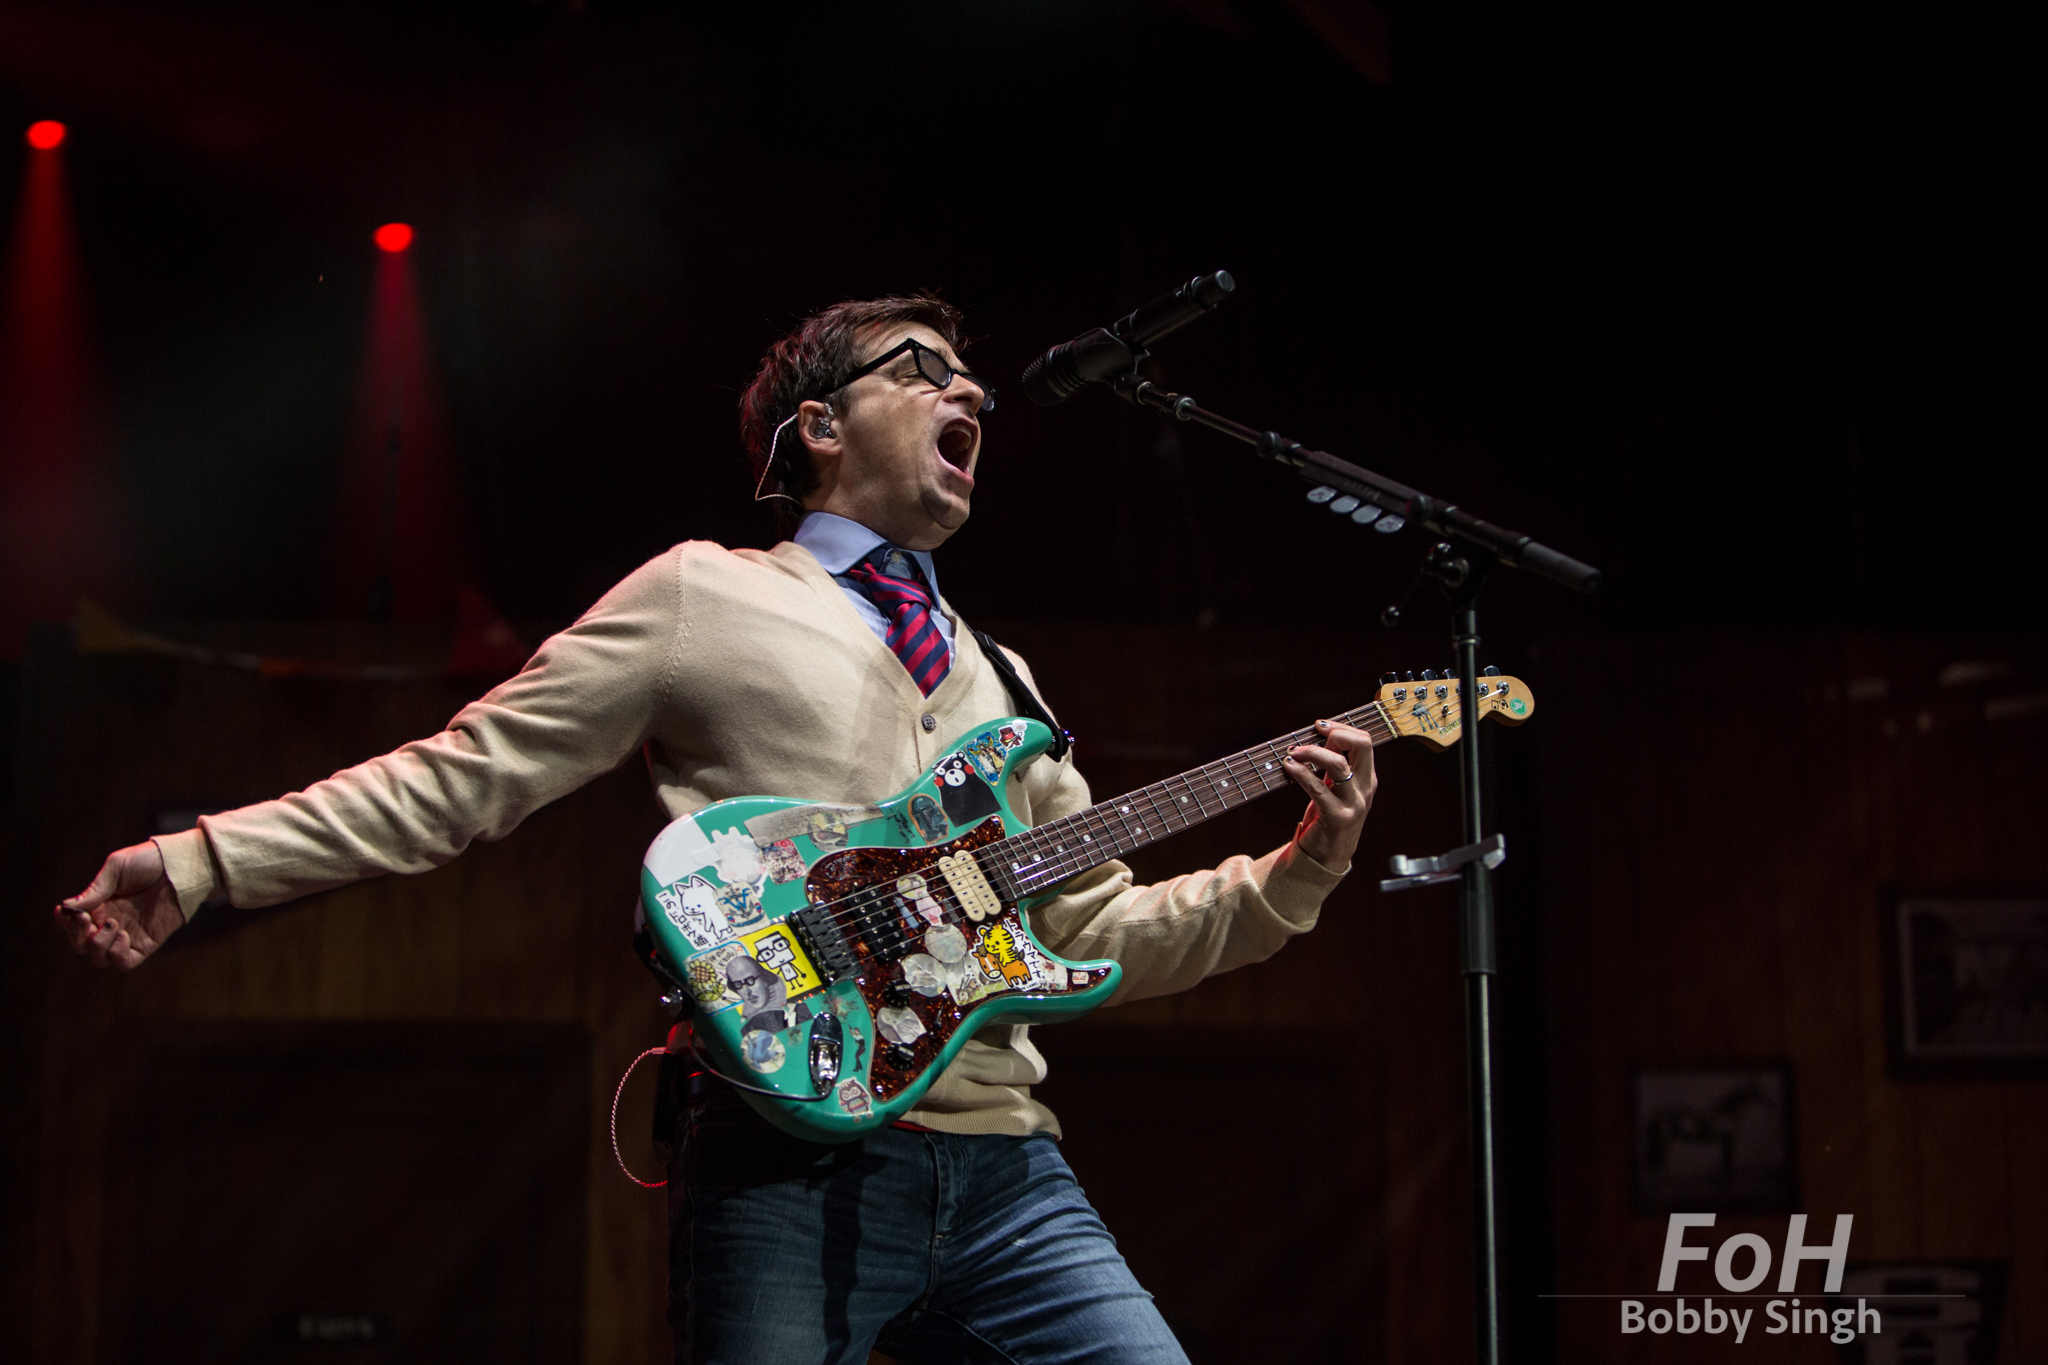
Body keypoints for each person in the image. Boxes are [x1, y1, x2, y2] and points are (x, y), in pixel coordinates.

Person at [57, 292, 1378, 1364]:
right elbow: (461, 778)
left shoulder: (1007, 680)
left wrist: (1294, 871)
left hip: (1006, 1172)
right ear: (819, 425)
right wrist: (204, 857)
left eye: (971, 378)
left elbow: (1094, 930)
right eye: (921, 369)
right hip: (780, 1156)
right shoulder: (704, 594)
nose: (967, 391)